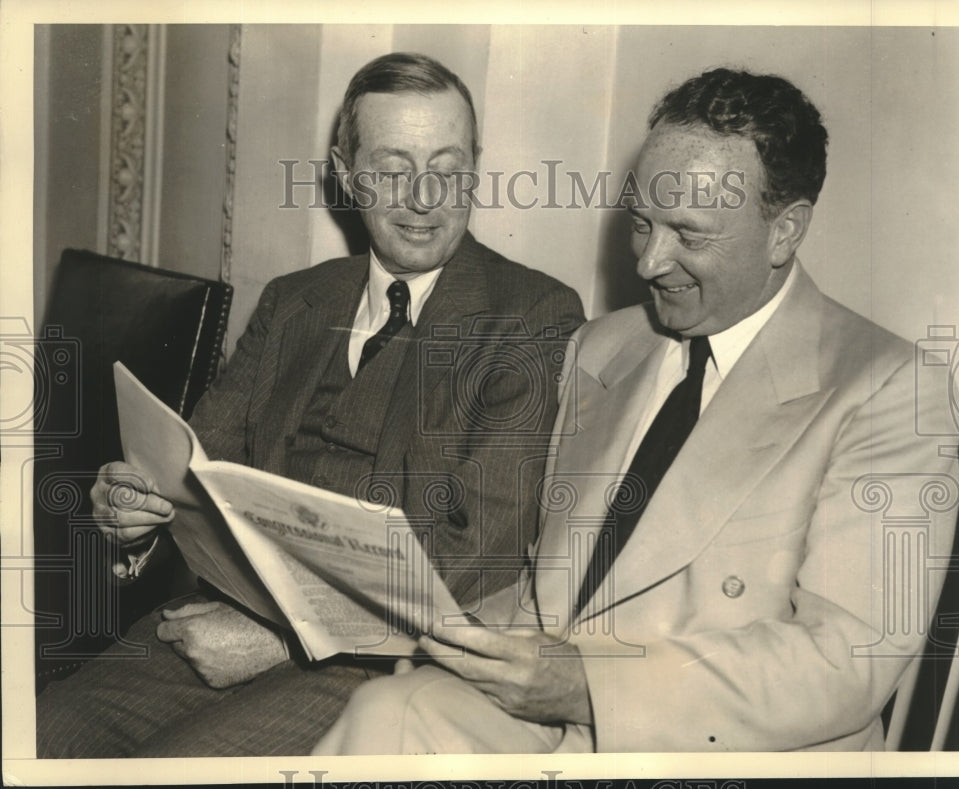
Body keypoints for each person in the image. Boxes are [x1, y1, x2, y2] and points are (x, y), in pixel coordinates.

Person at [314, 67, 959, 754]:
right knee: (386, 712)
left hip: (728, 748)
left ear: (785, 231)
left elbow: (845, 663)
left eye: (689, 234)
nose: (650, 263)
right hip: (557, 721)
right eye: (643, 223)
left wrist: (588, 686)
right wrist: (455, 636)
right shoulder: (602, 346)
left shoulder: (890, 388)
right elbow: (552, 594)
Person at [35, 51, 585, 757]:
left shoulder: (532, 317)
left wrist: (287, 637)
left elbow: (479, 560)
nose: (425, 198)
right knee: (42, 736)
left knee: (176, 769)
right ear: (347, 174)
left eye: (448, 169)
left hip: (380, 664)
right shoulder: (294, 301)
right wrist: (134, 515)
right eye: (392, 169)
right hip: (220, 617)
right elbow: (193, 472)